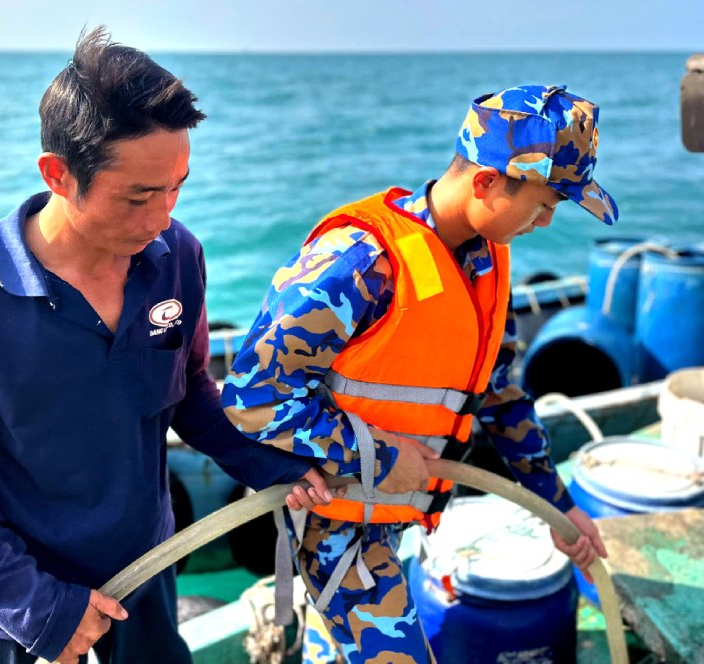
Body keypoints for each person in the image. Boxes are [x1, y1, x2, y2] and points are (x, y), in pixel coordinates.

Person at [0, 28, 334, 664]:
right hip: (30, 603)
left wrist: (265, 464)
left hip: (153, 567)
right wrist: (36, 606)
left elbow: (188, 396)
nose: (162, 217)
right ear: (58, 174)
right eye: (138, 196)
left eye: (177, 186)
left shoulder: (179, 257)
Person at [222, 84, 614, 662]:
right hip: (336, 522)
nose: (547, 222)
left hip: (392, 515)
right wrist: (378, 458)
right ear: (485, 183)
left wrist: (557, 503)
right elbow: (252, 397)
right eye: (544, 203)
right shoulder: (359, 261)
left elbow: (499, 395)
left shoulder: (486, 259)